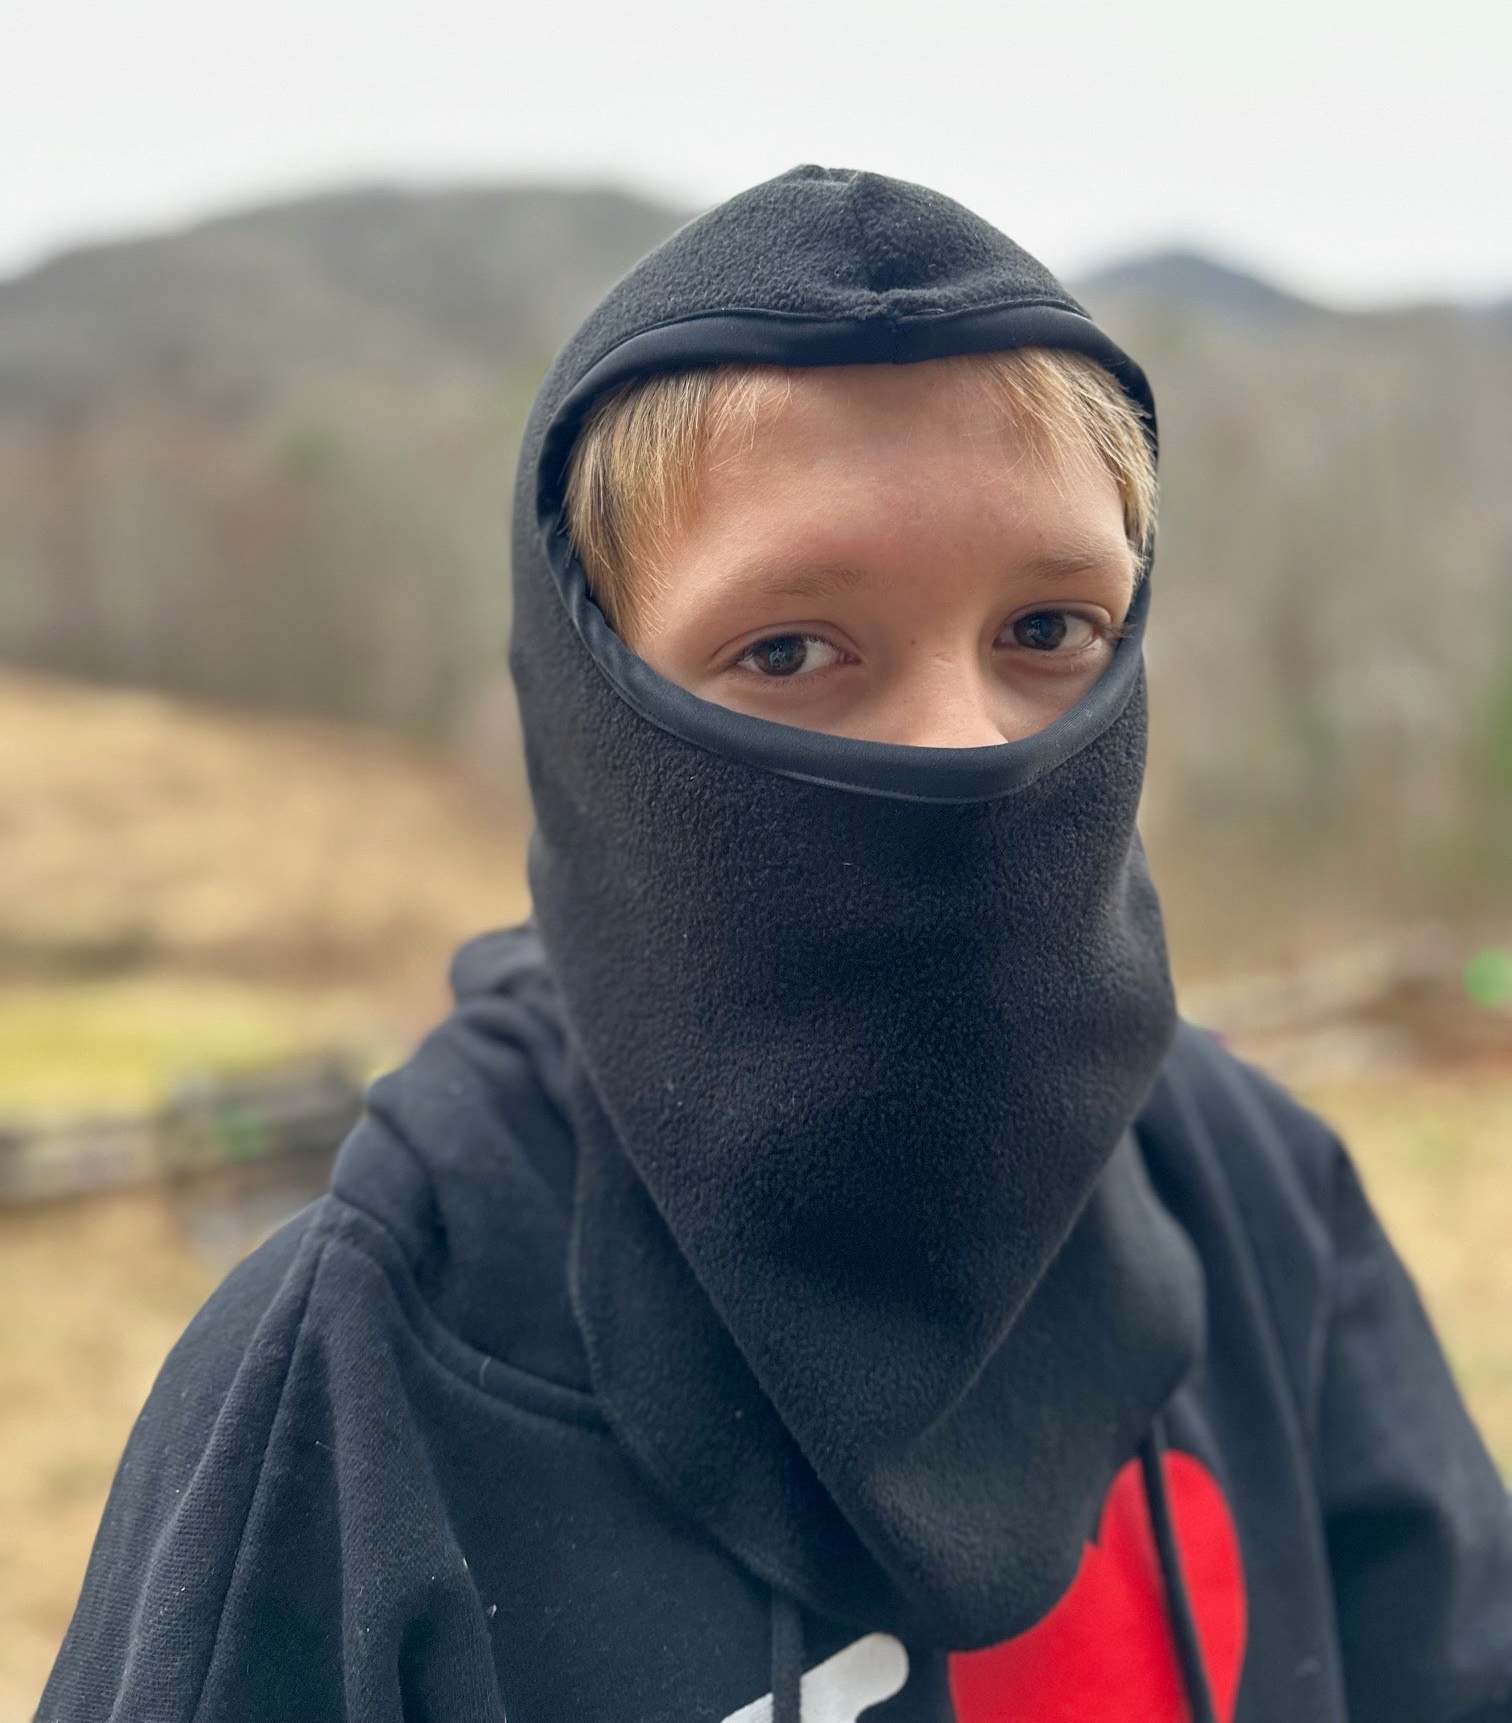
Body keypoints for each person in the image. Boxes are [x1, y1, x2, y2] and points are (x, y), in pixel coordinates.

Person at [38, 164, 1512, 1723]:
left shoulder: (1257, 1199)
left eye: (1048, 631)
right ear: (600, 711)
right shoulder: (368, 1365)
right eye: (793, 649)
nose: (962, 745)